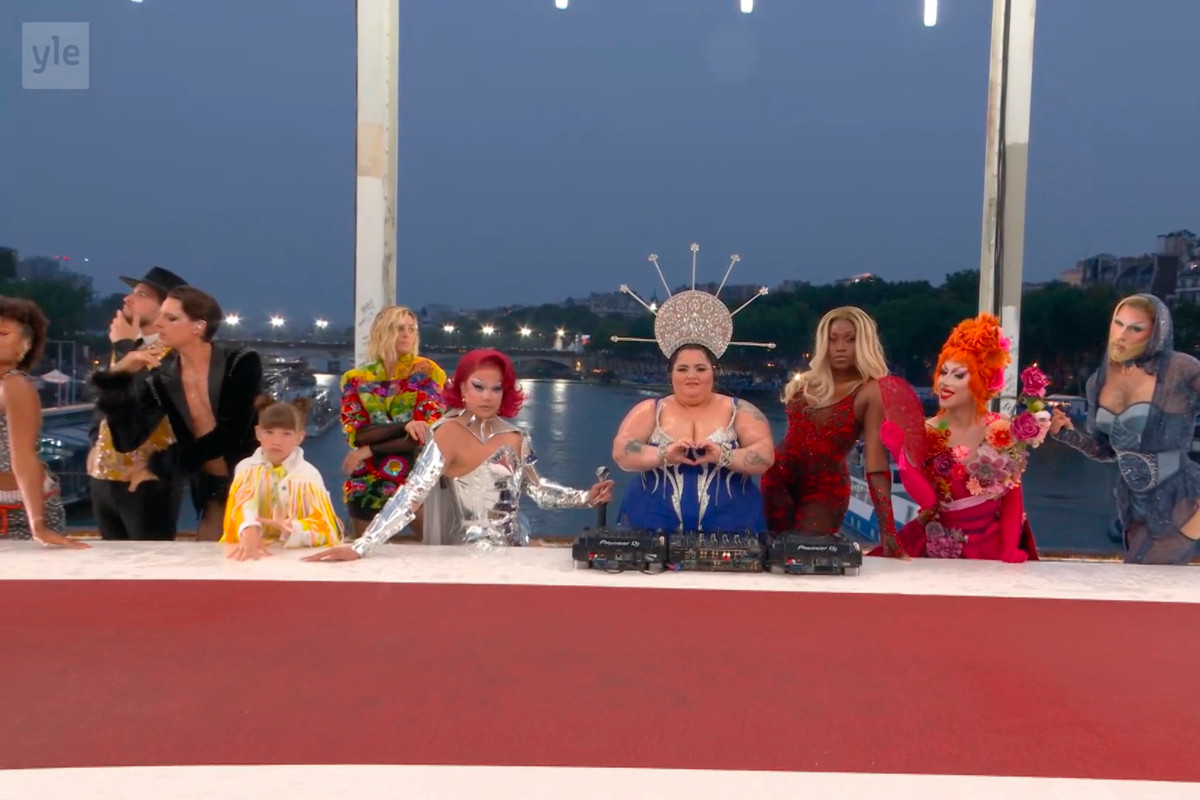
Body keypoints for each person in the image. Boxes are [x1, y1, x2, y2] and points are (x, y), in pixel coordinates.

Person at [306, 349, 613, 561]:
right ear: (462, 389)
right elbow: (411, 495)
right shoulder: (447, 432)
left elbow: (539, 490)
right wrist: (362, 546)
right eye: (479, 387)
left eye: (496, 389)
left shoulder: (517, 437)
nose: (487, 396)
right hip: (467, 555)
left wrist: (587, 497)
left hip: (517, 550)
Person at [608, 247, 775, 533]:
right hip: (650, 523)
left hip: (733, 526)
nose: (692, 377)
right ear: (671, 374)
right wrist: (663, 454)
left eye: (700, 368)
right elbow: (622, 452)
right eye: (682, 369)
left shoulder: (741, 411)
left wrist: (723, 456)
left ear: (714, 371)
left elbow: (765, 454)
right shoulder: (649, 410)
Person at [92, 287, 263, 541]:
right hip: (209, 486)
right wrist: (119, 376)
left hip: (257, 479)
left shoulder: (240, 362)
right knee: (211, 550)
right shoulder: (163, 376)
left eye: (171, 318)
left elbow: (232, 433)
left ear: (198, 326)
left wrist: (161, 465)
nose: (159, 323)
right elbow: (126, 440)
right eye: (161, 315)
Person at [1051, 293, 1200, 565]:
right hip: (1133, 504)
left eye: (1135, 328)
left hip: (1183, 498)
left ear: (1155, 334)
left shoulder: (1179, 369)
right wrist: (1067, 434)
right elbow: (1105, 450)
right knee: (1142, 580)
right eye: (1118, 324)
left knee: (1145, 572)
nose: (1121, 335)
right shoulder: (1098, 381)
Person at [878, 313, 1039, 562]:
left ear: (981, 380)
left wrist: (1009, 549)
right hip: (940, 547)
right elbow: (927, 500)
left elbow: (1012, 499)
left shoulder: (1001, 430)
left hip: (992, 545)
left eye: (958, 375)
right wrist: (901, 453)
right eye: (943, 372)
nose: (945, 382)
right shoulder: (926, 432)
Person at [760, 307, 909, 557]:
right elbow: (794, 436)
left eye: (850, 339)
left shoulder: (871, 391)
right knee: (773, 557)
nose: (840, 347)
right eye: (833, 339)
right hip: (777, 479)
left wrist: (888, 531)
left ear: (864, 343)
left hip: (825, 490)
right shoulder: (805, 383)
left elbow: (875, 462)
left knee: (806, 558)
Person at [87, 266, 188, 540]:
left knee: (148, 561)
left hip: (145, 480)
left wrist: (125, 351)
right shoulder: (131, 347)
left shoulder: (175, 357)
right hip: (103, 477)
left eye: (141, 295)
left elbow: (137, 413)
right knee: (108, 560)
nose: (128, 299)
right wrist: (94, 441)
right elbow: (105, 398)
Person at [338, 305, 446, 541]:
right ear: (382, 332)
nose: (407, 334)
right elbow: (357, 433)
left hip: (416, 469)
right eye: (399, 328)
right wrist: (403, 426)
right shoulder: (356, 379)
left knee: (433, 546)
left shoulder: (425, 372)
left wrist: (369, 449)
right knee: (364, 543)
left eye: (411, 329)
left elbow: (423, 435)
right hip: (370, 474)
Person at [0, 297, 87, 548]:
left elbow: (24, 456)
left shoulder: (15, 385)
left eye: (3, 333)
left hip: (16, 512)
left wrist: (37, 523)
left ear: (25, 345)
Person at [220, 397, 343, 561]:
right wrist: (249, 529)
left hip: (294, 559)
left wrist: (292, 528)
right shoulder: (246, 469)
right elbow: (242, 507)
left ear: (300, 437)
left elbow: (326, 530)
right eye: (269, 432)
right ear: (258, 433)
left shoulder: (308, 476)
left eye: (286, 434)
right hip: (251, 554)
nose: (276, 441)